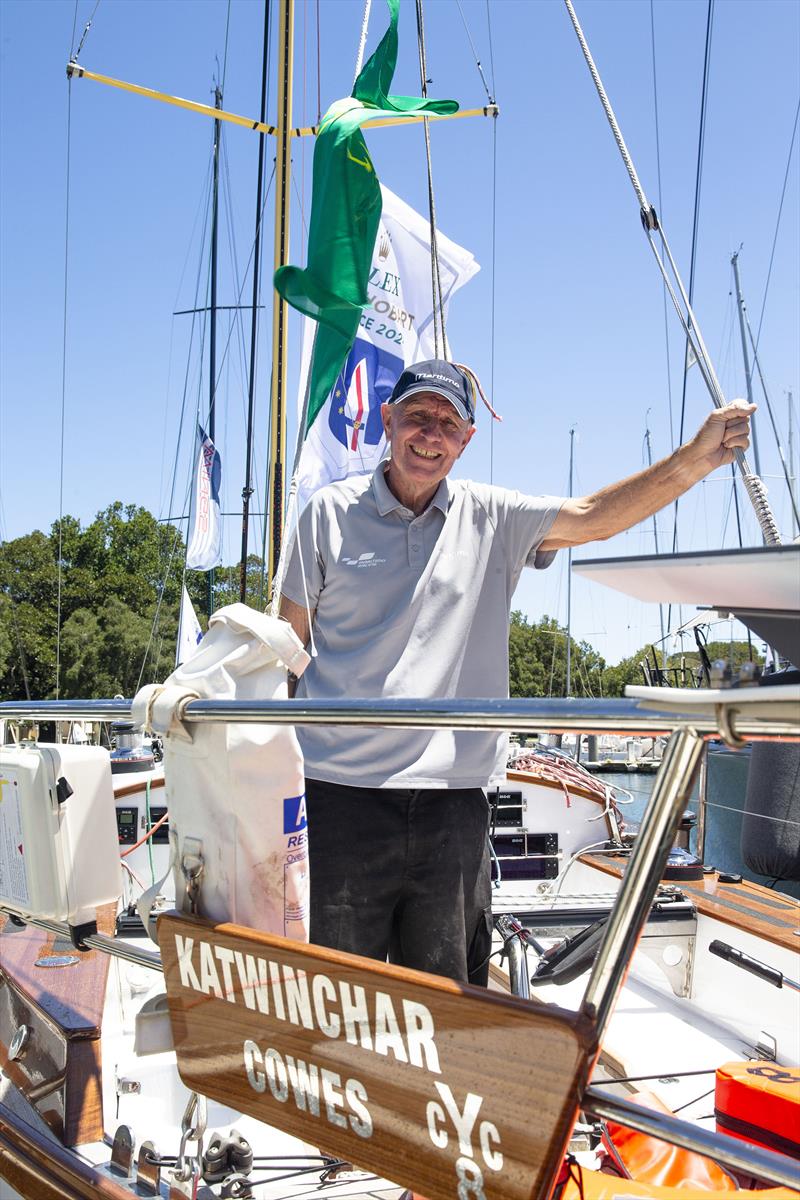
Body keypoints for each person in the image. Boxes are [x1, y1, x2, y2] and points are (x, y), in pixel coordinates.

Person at [278, 358, 754, 986]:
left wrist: (694, 460)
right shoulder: (326, 514)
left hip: (453, 801)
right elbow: (286, 652)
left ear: (467, 440)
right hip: (339, 795)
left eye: (448, 423)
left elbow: (592, 517)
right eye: (417, 416)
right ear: (388, 420)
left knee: (452, 999)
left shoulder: (493, 516)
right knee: (338, 991)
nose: (430, 433)